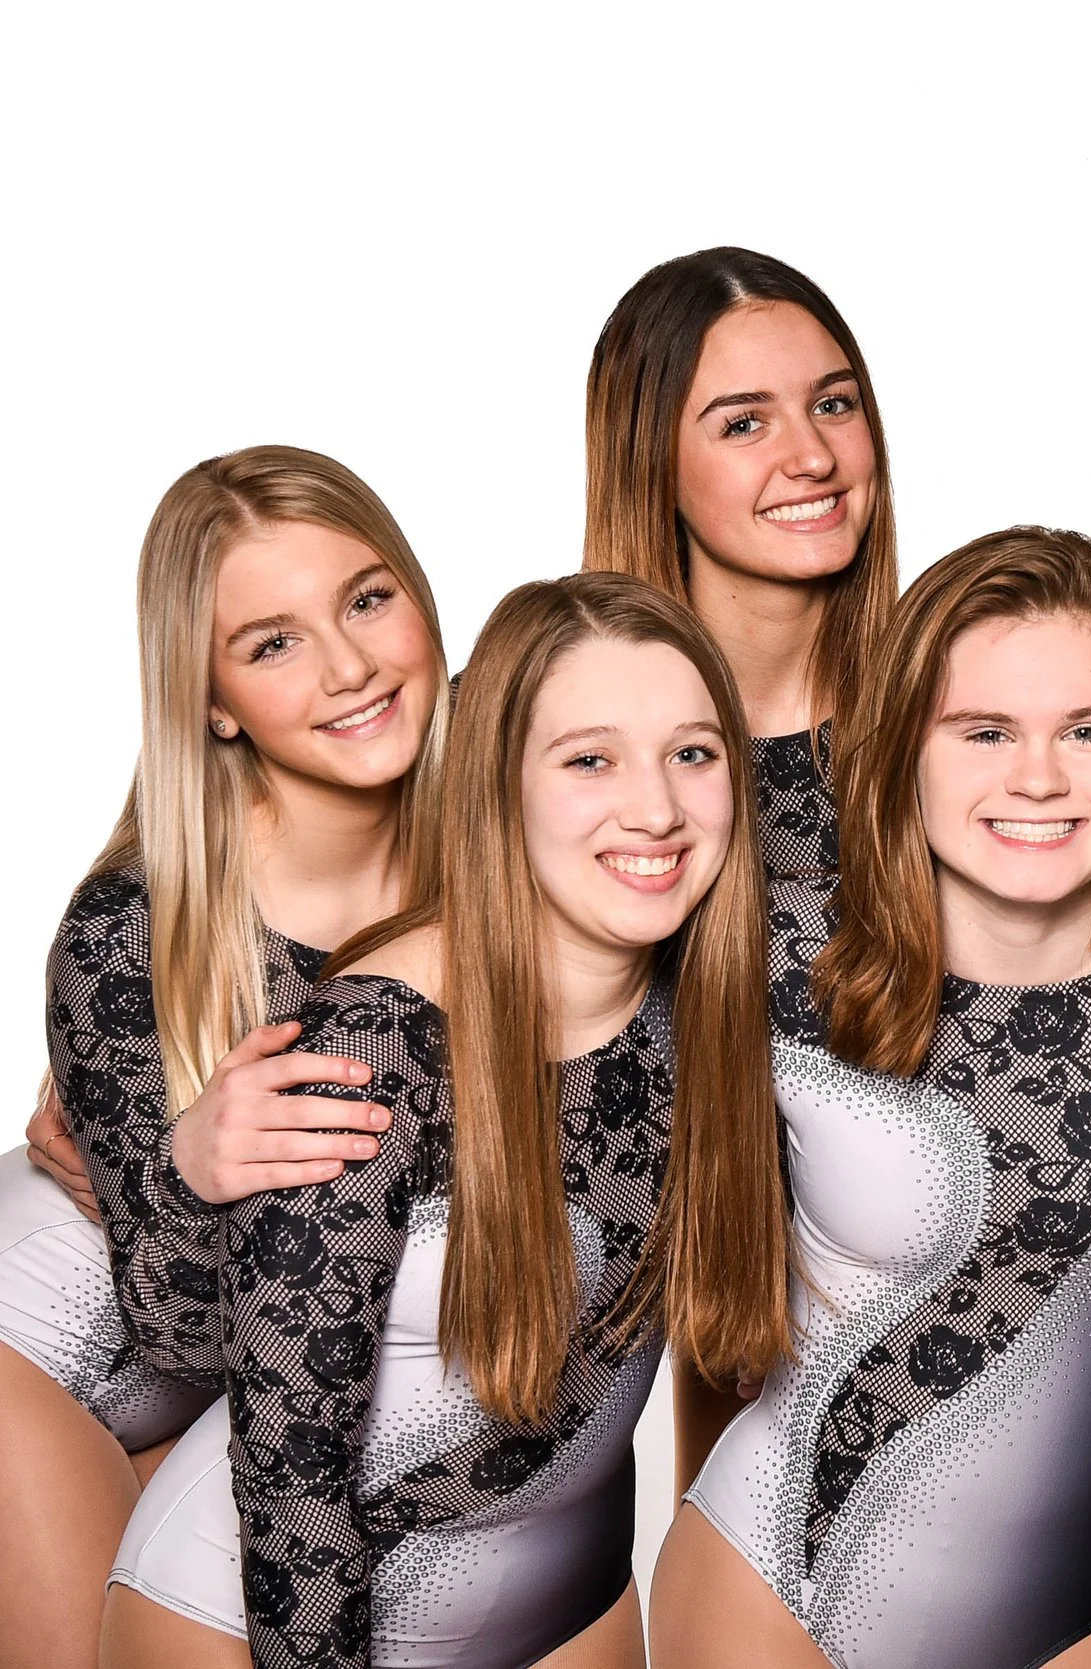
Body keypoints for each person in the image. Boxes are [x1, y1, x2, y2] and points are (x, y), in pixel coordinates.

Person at [99, 572, 784, 1669]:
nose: (656, 809)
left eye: (693, 754)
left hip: (565, 1608)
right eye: (590, 759)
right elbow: (292, 1469)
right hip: (261, 1621)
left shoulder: (712, 998)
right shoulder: (371, 1048)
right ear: (495, 783)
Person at [649, 527, 1091, 1669]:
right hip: (775, 1597)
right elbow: (522, 1003)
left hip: (1082, 1624)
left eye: (1088, 731)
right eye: (985, 730)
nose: (1037, 777)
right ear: (904, 746)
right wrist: (214, 1152)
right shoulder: (774, 950)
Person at [1, 447, 446, 1669]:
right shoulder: (131, 932)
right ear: (209, 700)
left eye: (365, 598)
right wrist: (183, 1171)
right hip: (43, 1363)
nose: (351, 666)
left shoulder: (513, 859)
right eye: (272, 642)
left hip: (237, 1405)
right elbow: (187, 1330)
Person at [584, 244, 900, 882]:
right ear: (651, 463)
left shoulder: (954, 711)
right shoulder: (520, 722)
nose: (813, 457)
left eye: (833, 405)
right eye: (745, 423)